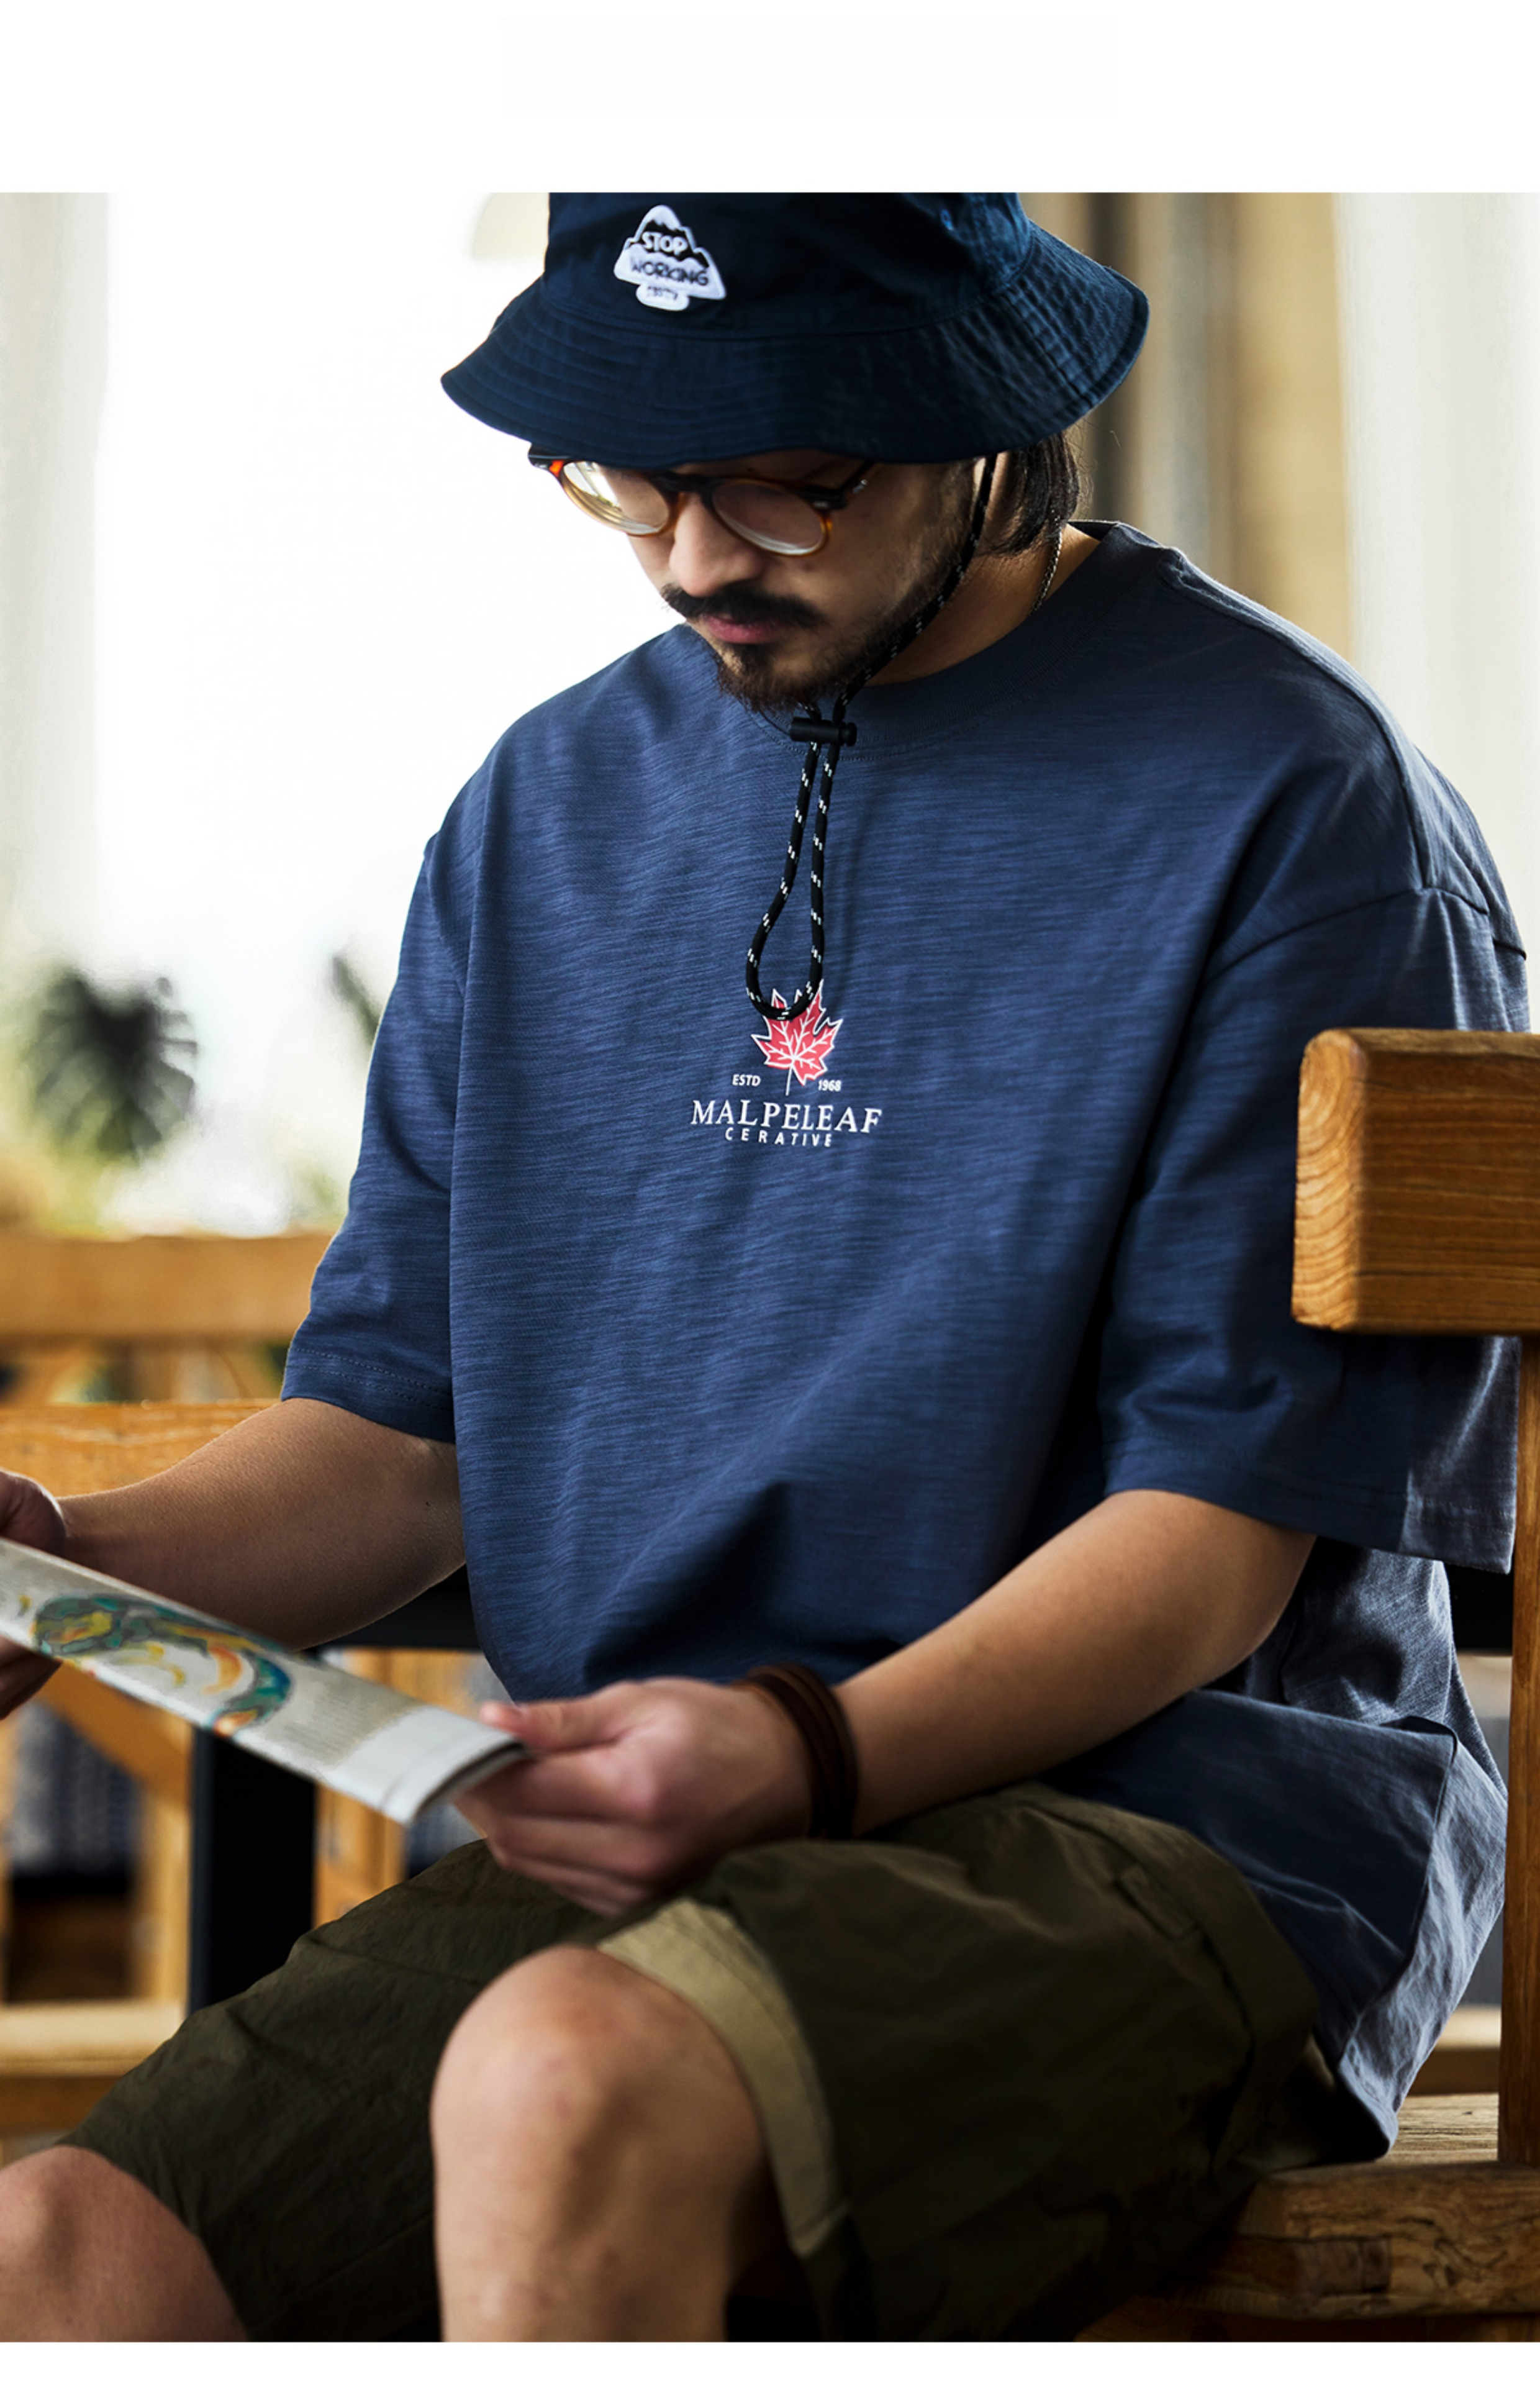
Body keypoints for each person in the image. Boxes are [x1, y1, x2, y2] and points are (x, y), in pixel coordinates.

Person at [0, 193, 1520, 2342]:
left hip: (1178, 1832)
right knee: (59, 2259)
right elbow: (402, 1447)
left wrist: (804, 1750)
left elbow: (1211, 1554)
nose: (695, 556)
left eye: (791, 480)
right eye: (628, 478)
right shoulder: (537, 814)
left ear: (982, 419)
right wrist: (67, 1566)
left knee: (563, 2083)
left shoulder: (1297, 802)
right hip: (673, 1845)